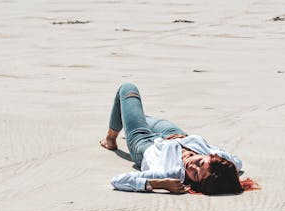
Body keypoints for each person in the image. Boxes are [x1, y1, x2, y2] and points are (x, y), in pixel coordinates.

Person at [100, 83, 244, 195]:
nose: (192, 166)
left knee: (128, 89)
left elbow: (117, 181)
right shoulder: (224, 162)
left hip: (145, 142)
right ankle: (129, 117)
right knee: (132, 114)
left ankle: (110, 139)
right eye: (200, 162)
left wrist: (159, 184)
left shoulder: (170, 173)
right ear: (212, 157)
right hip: (173, 133)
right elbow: (237, 162)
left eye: (195, 174)